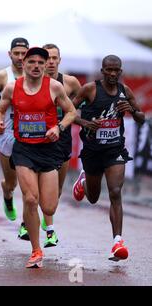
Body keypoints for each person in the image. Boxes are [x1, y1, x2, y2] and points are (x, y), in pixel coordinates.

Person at [0, 47, 76, 268]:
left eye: (42, 62)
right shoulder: (12, 88)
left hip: (48, 149)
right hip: (23, 149)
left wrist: (59, 127)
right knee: (30, 199)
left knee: (48, 207)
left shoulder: (55, 87)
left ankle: (41, 226)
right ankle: (36, 250)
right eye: (32, 62)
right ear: (24, 64)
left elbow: (71, 112)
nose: (37, 66)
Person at [72, 55, 145, 262]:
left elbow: (141, 118)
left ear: (120, 72)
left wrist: (131, 110)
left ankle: (117, 242)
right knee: (93, 198)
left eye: (116, 70)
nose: (113, 74)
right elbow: (67, 111)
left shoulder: (125, 91)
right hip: (93, 152)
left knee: (115, 192)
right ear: (102, 71)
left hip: (115, 151)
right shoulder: (90, 89)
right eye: (109, 70)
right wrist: (84, 122)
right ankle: (84, 181)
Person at [39, 43, 82, 248]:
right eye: (47, 58)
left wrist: (87, 123)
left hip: (62, 138)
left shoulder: (70, 82)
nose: (51, 62)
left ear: (59, 60)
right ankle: (49, 230)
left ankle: (46, 214)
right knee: (38, 189)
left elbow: (81, 106)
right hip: (38, 138)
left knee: (55, 192)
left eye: (55, 58)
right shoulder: (34, 81)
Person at [0, 38, 29, 237]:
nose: (20, 57)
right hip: (7, 134)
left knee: (28, 184)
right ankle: (7, 194)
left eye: (24, 53)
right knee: (12, 183)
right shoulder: (1, 76)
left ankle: (26, 223)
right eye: (16, 53)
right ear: (10, 54)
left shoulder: (35, 75)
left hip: (29, 135)